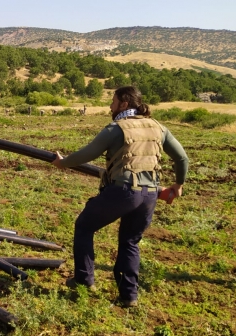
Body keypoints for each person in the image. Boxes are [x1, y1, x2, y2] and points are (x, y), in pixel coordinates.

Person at [51, 86, 188, 307]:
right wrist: (178, 184)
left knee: (85, 226)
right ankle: (128, 296)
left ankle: (84, 282)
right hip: (149, 195)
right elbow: (182, 158)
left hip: (123, 192)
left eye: (113, 101)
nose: (110, 106)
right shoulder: (158, 127)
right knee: (130, 242)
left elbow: (87, 153)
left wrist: (63, 162)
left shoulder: (117, 128)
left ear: (124, 104)